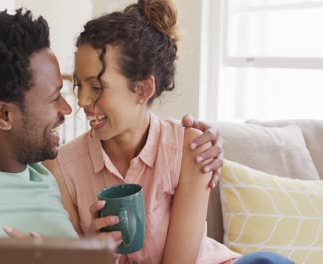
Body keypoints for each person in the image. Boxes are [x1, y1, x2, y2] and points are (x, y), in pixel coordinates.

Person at [0, 6, 224, 264]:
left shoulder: (43, 180)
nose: (70, 109)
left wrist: (94, 254)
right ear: (2, 115)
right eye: (55, 97)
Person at [37, 1, 295, 264]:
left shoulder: (190, 148)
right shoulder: (62, 168)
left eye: (97, 86)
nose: (81, 101)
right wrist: (92, 251)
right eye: (80, 85)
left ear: (143, 89)